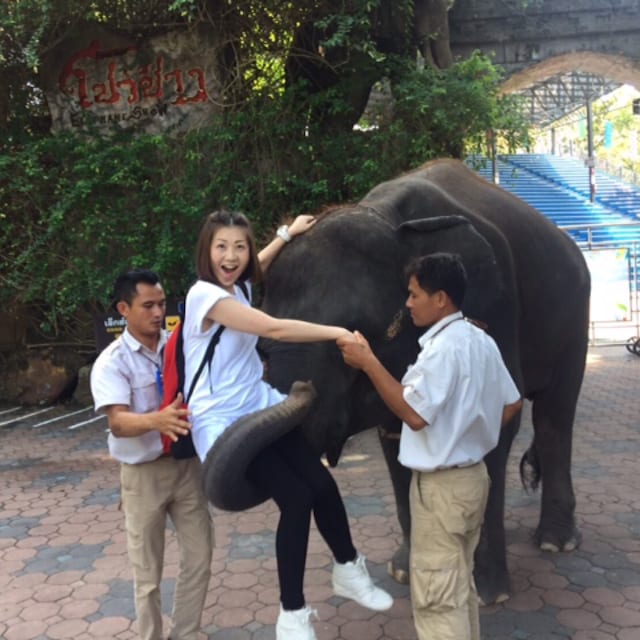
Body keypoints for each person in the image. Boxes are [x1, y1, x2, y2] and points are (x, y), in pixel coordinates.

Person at [182, 209, 393, 640]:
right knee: (296, 498)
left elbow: (256, 265)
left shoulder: (237, 285)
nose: (231, 256)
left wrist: (285, 234)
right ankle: (291, 614)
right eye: (221, 247)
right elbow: (274, 328)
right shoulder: (204, 296)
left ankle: (347, 568)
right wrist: (337, 332)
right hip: (226, 425)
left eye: (239, 247)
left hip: (260, 406)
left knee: (321, 483)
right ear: (206, 250)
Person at [337, 252, 522, 640]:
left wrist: (369, 363)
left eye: (414, 294)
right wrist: (469, 435)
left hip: (442, 491)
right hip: (472, 479)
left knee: (438, 600)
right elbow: (512, 403)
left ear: (440, 299)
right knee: (458, 588)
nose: (408, 303)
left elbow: (414, 413)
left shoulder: (442, 350)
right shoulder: (481, 340)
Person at [90, 269, 212, 640]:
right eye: (148, 306)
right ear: (123, 309)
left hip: (186, 468)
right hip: (142, 477)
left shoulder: (180, 347)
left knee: (200, 557)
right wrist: (157, 421)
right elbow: (118, 423)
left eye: (161, 304)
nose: (159, 313)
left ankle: (186, 633)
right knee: (147, 576)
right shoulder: (112, 362)